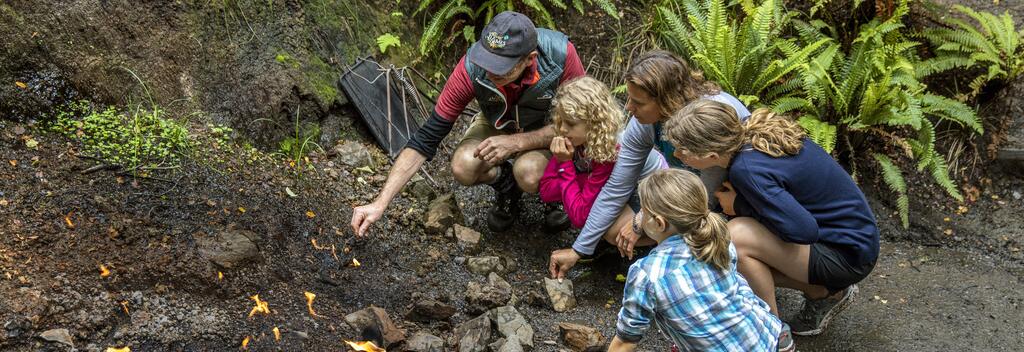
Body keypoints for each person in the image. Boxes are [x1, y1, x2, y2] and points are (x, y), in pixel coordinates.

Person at [350, 11, 586, 236]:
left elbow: (584, 123)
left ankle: (554, 196)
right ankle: (507, 185)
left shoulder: (561, 54)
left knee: (528, 172)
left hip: (548, 125)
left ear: (529, 59)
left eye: (501, 68)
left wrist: (515, 143)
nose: (490, 72)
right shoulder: (471, 66)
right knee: (463, 166)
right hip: (496, 120)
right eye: (487, 61)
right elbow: (427, 137)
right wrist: (379, 204)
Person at [663, 100, 879, 342]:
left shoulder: (746, 169)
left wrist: (739, 205)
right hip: (859, 237)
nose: (677, 155)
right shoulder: (749, 130)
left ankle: (771, 333)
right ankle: (823, 292)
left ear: (711, 155)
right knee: (731, 260)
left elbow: (804, 230)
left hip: (846, 255)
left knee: (734, 241)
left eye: (682, 151)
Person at [548, 50, 749, 280]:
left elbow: (703, 199)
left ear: (666, 100)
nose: (629, 108)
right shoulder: (644, 123)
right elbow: (617, 187)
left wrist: (642, 218)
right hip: (684, 190)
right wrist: (579, 249)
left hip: (731, 201)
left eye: (638, 102)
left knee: (677, 225)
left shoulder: (706, 122)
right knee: (616, 231)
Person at [609, 168, 781, 352]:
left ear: (658, 223)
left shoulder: (647, 273)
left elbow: (626, 340)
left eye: (643, 211)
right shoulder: (720, 239)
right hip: (766, 337)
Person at [538, 76, 665, 229]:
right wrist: (580, 183)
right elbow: (546, 192)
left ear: (594, 124)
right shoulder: (575, 140)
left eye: (570, 123)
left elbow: (580, 217)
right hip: (620, 188)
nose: (563, 129)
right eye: (561, 120)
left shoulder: (609, 150)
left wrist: (565, 164)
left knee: (607, 227)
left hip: (652, 189)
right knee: (587, 197)